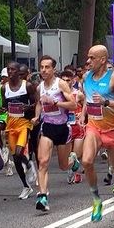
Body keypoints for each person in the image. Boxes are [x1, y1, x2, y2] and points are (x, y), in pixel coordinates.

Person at [80, 45, 114, 222]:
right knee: (87, 160)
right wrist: (83, 114)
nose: (88, 61)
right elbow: (87, 100)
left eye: (91, 58)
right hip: (94, 127)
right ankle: (96, 199)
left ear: (102, 59)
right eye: (88, 58)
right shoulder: (86, 77)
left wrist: (107, 103)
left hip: (113, 130)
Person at [32, 55, 79, 212]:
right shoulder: (40, 87)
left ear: (54, 69)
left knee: (63, 165)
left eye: (47, 67)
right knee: (43, 162)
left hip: (62, 128)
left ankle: (73, 160)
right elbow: (39, 103)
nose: (44, 70)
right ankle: (42, 196)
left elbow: (73, 105)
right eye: (42, 67)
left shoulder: (61, 84)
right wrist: (36, 116)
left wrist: (56, 102)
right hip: (47, 127)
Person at [2, 62, 38, 199]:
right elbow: (6, 105)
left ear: (18, 71)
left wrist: (27, 108)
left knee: (18, 152)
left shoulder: (27, 86)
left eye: (13, 69)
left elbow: (36, 103)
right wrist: (4, 109)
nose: (10, 72)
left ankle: (29, 165)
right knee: (15, 159)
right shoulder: (4, 88)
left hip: (24, 123)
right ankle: (26, 186)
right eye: (8, 69)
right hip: (11, 123)